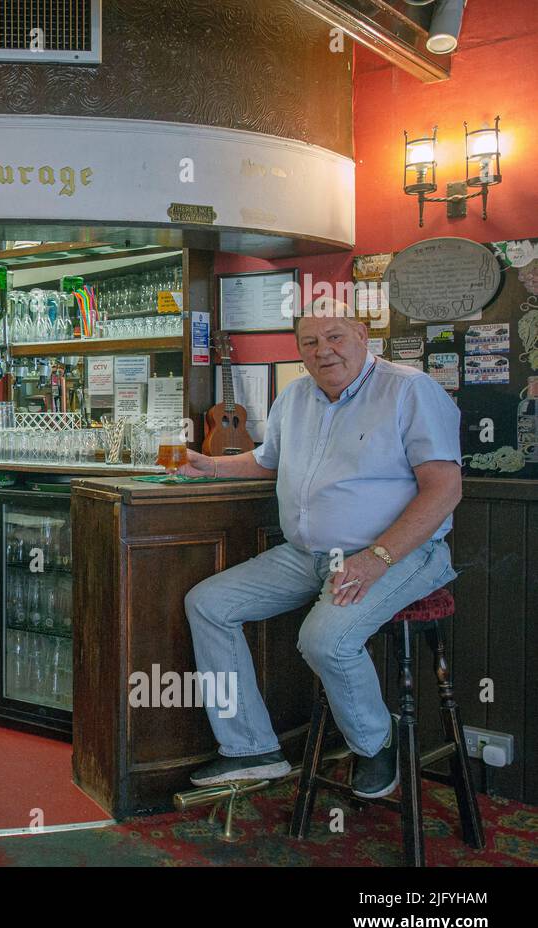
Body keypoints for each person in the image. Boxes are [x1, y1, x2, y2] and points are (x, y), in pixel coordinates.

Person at [179, 298, 461, 798]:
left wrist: (377, 558)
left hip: (400, 554)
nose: (323, 351)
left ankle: (376, 743)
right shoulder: (295, 397)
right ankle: (252, 749)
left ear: (362, 336)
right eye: (309, 342)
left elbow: (444, 488)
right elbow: (268, 461)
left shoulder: (409, 390)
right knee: (209, 602)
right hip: (308, 555)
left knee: (324, 640)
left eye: (335, 336)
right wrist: (209, 465)